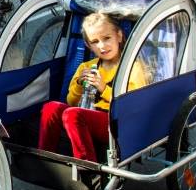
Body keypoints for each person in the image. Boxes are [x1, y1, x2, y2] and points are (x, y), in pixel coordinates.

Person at [38, 12, 146, 161]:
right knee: (51, 107)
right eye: (95, 42)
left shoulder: (132, 67)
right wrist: (78, 85)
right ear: (89, 46)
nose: (102, 46)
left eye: (107, 38)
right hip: (87, 114)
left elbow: (134, 106)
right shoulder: (86, 66)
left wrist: (103, 89)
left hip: (117, 122)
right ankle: (45, 157)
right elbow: (71, 102)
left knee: (73, 115)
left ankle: (87, 166)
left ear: (119, 36)